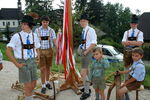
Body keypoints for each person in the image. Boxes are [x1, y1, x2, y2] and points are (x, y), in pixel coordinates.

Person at [6, 13, 40, 100]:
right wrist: (17, 64)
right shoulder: (16, 36)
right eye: (22, 23)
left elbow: (37, 47)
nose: (22, 25)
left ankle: (28, 97)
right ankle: (29, 98)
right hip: (23, 62)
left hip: (33, 61)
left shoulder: (34, 35)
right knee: (28, 85)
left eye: (25, 24)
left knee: (34, 84)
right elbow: (8, 51)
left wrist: (38, 58)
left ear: (30, 25)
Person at [34, 16, 56, 94]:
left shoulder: (51, 30)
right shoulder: (37, 30)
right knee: (42, 68)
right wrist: (36, 52)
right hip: (41, 51)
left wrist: (58, 46)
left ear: (48, 22)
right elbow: (35, 42)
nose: (45, 23)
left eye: (46, 22)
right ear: (41, 22)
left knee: (48, 68)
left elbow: (54, 40)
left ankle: (47, 82)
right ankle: (43, 85)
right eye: (44, 22)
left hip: (49, 51)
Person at [79, 13, 97, 100]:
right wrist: (81, 48)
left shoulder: (91, 30)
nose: (82, 23)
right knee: (87, 71)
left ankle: (86, 92)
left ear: (87, 21)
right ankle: (87, 87)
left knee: (83, 73)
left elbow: (94, 43)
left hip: (87, 52)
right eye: (81, 21)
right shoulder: (83, 30)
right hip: (83, 51)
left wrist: (86, 51)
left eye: (84, 21)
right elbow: (84, 41)